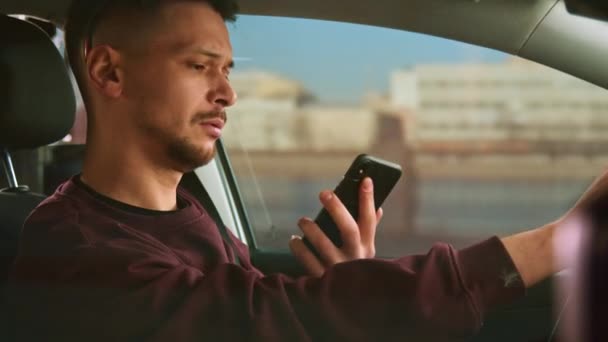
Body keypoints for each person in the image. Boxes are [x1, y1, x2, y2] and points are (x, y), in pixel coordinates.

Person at [6, 0, 608, 340]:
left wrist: (350, 278)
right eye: (200, 66)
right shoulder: (71, 250)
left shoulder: (185, 215)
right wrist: (559, 239)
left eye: (230, 71)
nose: (227, 95)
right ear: (109, 73)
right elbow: (270, 321)